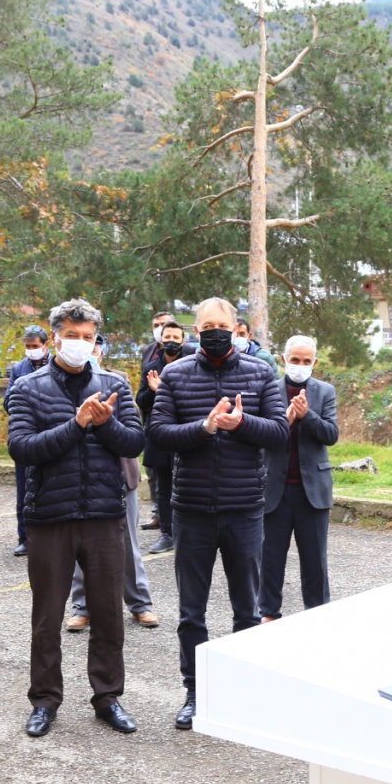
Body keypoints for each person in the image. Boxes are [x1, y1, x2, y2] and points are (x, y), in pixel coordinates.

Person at [148, 296, 289, 730]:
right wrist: (205, 427)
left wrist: (240, 425)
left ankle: (244, 691)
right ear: (195, 331)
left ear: (236, 328)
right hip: (191, 511)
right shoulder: (174, 374)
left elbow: (281, 432)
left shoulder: (261, 372)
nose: (213, 331)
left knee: (247, 609)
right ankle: (195, 691)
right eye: (205, 325)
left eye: (221, 324)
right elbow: (158, 434)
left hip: (244, 509)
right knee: (192, 612)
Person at [8, 299, 146, 737]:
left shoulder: (115, 383)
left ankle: (108, 697)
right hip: (50, 518)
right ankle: (45, 700)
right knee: (47, 617)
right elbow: (22, 448)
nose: (80, 344)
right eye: (73, 335)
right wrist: (76, 424)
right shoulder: (28, 387)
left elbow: (135, 441)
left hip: (105, 516)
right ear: (55, 337)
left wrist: (104, 425)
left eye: (88, 337)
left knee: (107, 613)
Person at [66, 335, 160, 632]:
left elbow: (132, 431)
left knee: (128, 543)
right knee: (80, 545)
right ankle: (82, 607)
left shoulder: (117, 380)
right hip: (80, 476)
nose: (87, 351)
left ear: (101, 351)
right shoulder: (60, 383)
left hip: (119, 473)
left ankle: (140, 603)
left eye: (92, 346)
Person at [259, 335, 339, 621]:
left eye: (306, 361)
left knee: (315, 560)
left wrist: (308, 416)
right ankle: (268, 612)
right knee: (270, 557)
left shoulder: (325, 392)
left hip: (312, 491)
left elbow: (331, 435)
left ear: (315, 363)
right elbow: (259, 437)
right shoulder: (267, 390)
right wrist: (285, 421)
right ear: (284, 360)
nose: (300, 366)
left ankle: (316, 615)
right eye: (295, 360)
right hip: (274, 489)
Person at [135, 320, 192, 551]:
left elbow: (193, 400)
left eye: (176, 338)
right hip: (159, 433)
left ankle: (186, 533)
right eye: (167, 337)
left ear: (183, 341)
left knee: (187, 484)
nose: (171, 342)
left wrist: (164, 391)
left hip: (186, 433)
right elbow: (140, 400)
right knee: (163, 486)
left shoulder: (191, 365)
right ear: (160, 340)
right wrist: (151, 390)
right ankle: (167, 534)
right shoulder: (151, 367)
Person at [3, 325, 51, 558]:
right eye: (28, 346)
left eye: (35, 346)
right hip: (24, 434)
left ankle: (49, 534)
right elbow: (8, 402)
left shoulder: (56, 365)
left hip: (50, 435)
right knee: (24, 488)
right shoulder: (19, 369)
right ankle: (24, 537)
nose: (31, 350)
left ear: (46, 345)